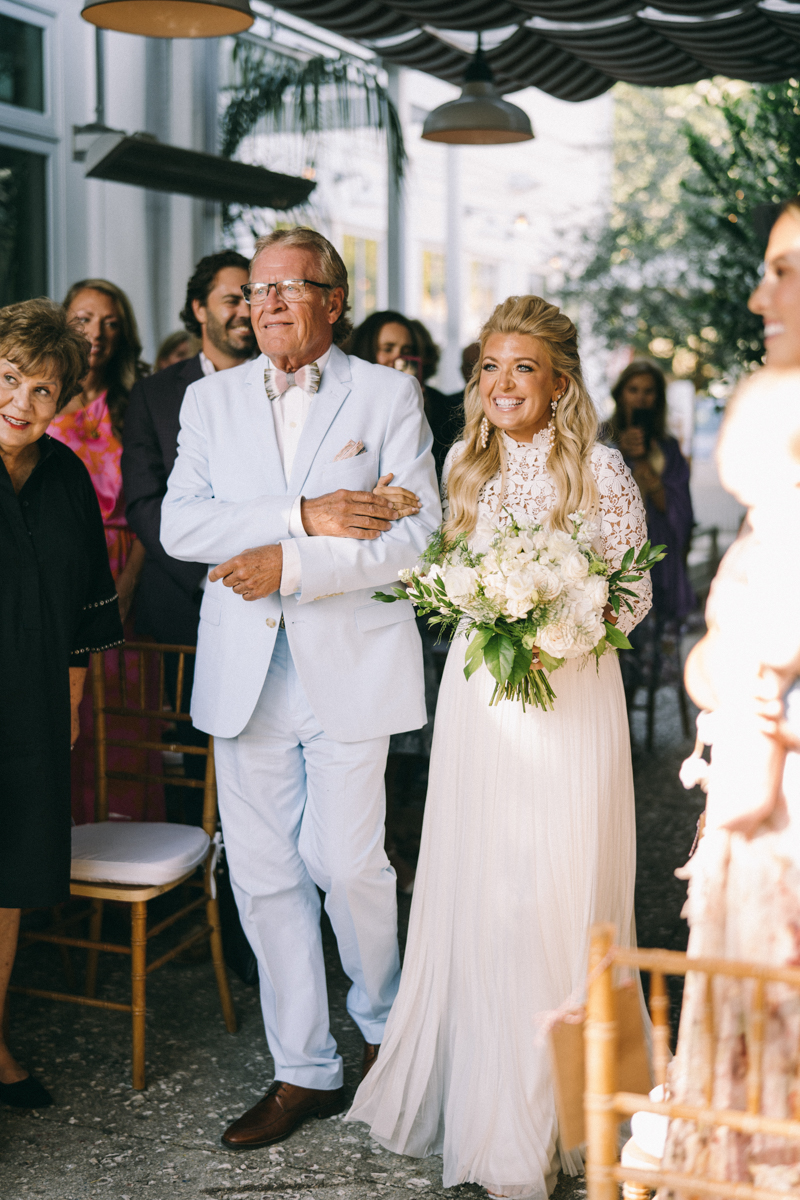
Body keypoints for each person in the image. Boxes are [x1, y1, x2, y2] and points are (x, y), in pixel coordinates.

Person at [348, 295, 652, 1199]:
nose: (503, 383)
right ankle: (486, 1110)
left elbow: (631, 598)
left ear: (559, 380)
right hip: (483, 703)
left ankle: (560, 1112)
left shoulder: (600, 470)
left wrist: (565, 614)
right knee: (486, 890)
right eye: (490, 367)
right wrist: (483, 600)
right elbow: (448, 579)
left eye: (523, 367)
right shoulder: (463, 463)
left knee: (558, 888)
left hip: (571, 702)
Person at [160, 226, 441, 1149]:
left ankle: (383, 1029)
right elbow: (181, 526)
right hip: (245, 672)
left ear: (335, 300)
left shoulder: (390, 393)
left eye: (290, 287)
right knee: (267, 873)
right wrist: (304, 516)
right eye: (256, 291)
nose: (266, 303)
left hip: (350, 664)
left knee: (349, 862)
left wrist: (286, 560)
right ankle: (303, 1069)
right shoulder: (210, 399)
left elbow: (411, 539)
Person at [0, 299, 123, 1108]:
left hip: (31, 706)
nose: (22, 402)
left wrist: (73, 702)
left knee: (7, 876)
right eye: (10, 377)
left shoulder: (66, 475)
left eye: (44, 390)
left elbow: (86, 603)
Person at [48, 279, 150, 823]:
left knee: (121, 720)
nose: (97, 333)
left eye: (111, 322)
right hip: (55, 572)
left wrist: (127, 586)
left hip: (124, 568)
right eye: (85, 318)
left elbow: (150, 507)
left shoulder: (138, 404)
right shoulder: (36, 398)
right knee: (57, 716)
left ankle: (122, 858)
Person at [123, 250, 255, 651]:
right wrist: (207, 573)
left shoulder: (286, 382)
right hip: (182, 597)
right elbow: (145, 500)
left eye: (252, 298)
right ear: (199, 308)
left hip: (275, 592)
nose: (246, 312)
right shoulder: (153, 394)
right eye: (231, 300)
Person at [608, 360, 695, 622]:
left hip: (659, 558)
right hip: (614, 558)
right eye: (633, 389)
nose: (641, 399)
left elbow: (680, 510)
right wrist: (617, 449)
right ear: (620, 393)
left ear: (658, 398)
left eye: (649, 391)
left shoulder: (668, 448)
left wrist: (645, 463)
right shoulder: (601, 438)